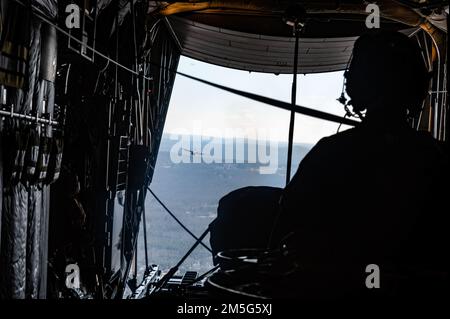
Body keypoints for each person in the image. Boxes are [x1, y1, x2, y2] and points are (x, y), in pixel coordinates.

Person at [277, 30, 449, 299]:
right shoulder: (439, 157)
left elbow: (289, 225)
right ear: (417, 88)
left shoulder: (329, 154)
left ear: (356, 85)